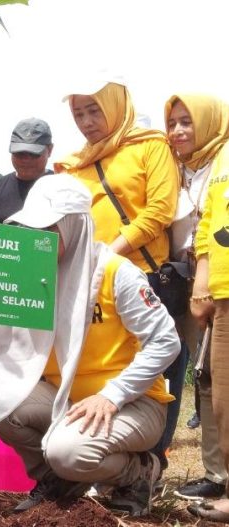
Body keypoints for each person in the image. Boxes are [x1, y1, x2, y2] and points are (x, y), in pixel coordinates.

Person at [0, 174, 180, 517]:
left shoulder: (114, 272)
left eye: (47, 230)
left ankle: (138, 473)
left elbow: (166, 341)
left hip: (133, 403)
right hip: (66, 398)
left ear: (74, 226)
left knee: (68, 452)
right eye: (31, 230)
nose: (37, 239)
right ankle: (59, 479)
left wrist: (112, 395)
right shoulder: (33, 273)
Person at [55, 76, 181, 474]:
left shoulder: (150, 145)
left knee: (153, 372)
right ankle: (85, 461)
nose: (87, 122)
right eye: (78, 114)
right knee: (92, 364)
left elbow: (160, 209)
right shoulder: (74, 163)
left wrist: (109, 254)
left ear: (115, 106)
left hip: (140, 275)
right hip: (87, 279)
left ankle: (148, 465)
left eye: (94, 111)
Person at [163, 94, 229, 501]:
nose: (178, 131)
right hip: (179, 279)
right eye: (173, 123)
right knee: (200, 375)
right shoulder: (172, 167)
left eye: (187, 121)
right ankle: (215, 472)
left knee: (217, 375)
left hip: (212, 278)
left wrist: (204, 285)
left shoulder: (221, 162)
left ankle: (220, 474)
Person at [186, 113, 229, 523]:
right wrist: (203, 282)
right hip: (223, 290)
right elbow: (208, 229)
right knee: (223, 398)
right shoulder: (223, 159)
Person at [0, 118, 54, 223]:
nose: (26, 159)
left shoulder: (65, 192)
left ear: (49, 150)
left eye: (34, 154)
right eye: (20, 153)